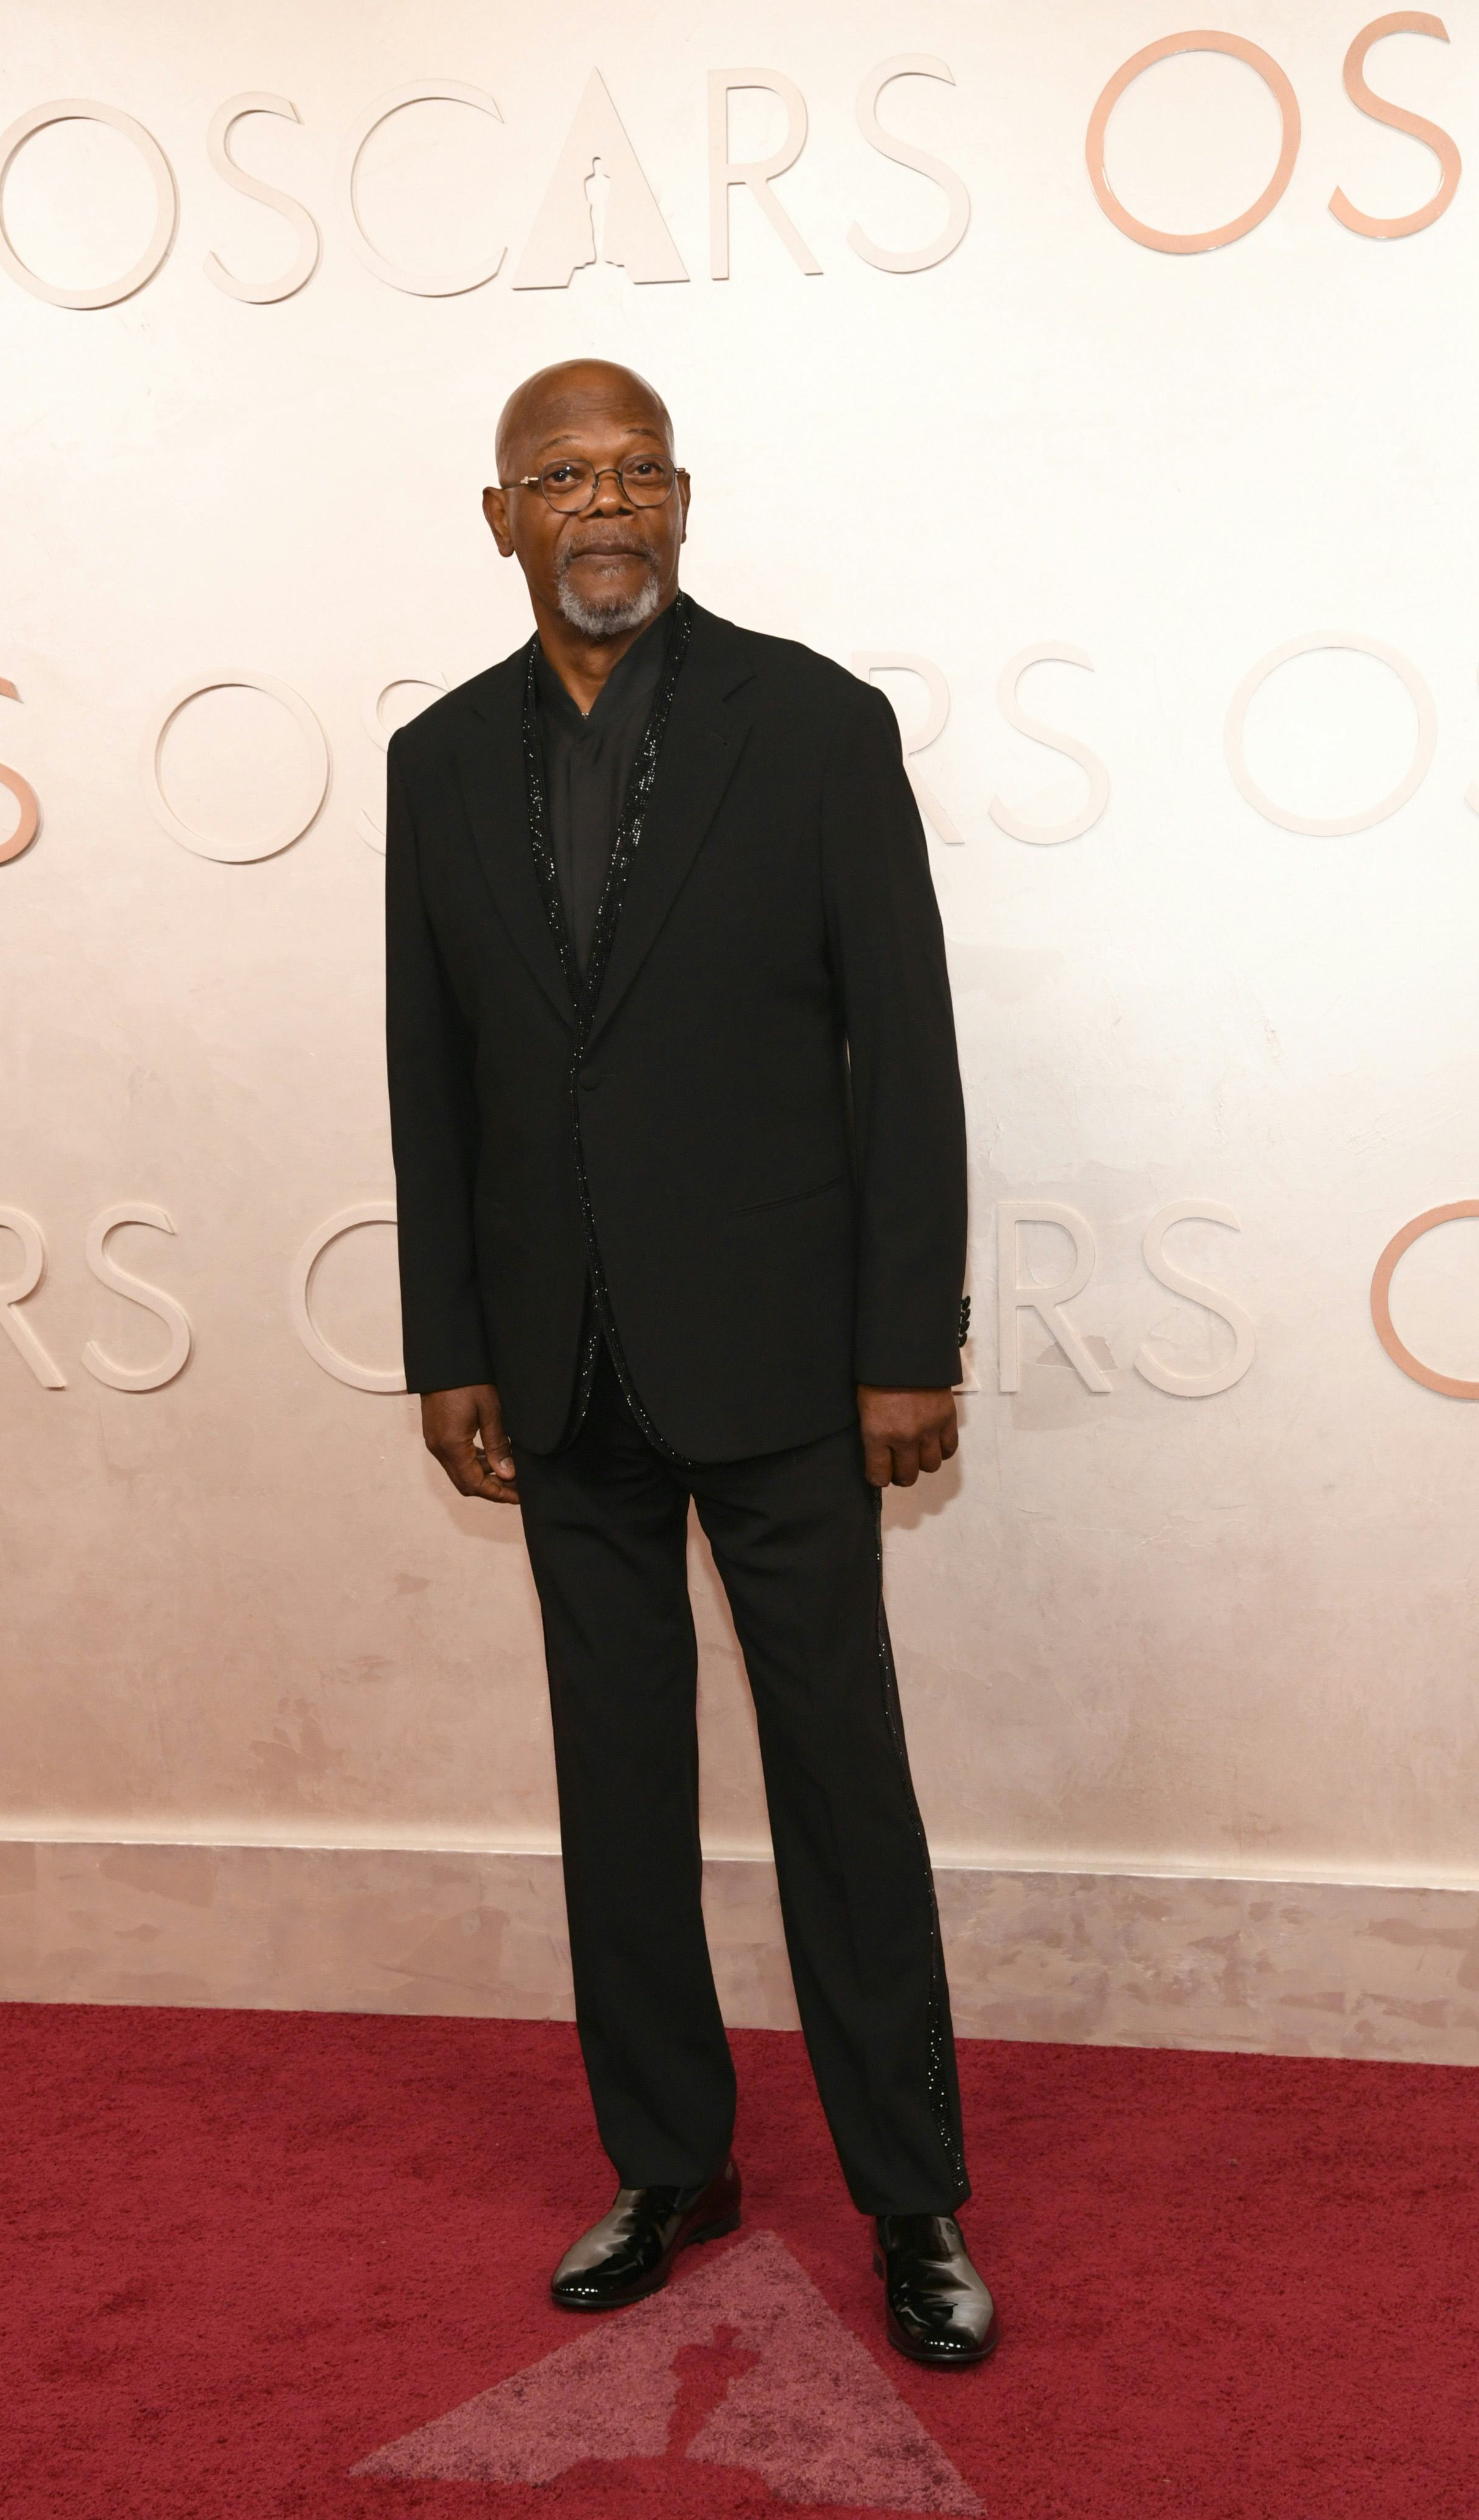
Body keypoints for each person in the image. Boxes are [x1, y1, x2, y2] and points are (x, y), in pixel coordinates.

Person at [384, 359, 996, 2366]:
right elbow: (438, 1077)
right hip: (559, 1376)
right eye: (562, 476)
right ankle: (672, 2160)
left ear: (686, 500)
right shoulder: (436, 762)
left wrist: (910, 1340)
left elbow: (902, 1048)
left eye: (637, 469)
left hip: (791, 1364)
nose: (605, 503)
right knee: (615, 1788)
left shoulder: (813, 724)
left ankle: (914, 2203)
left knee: (846, 1783)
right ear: (501, 521)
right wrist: (450, 1345)